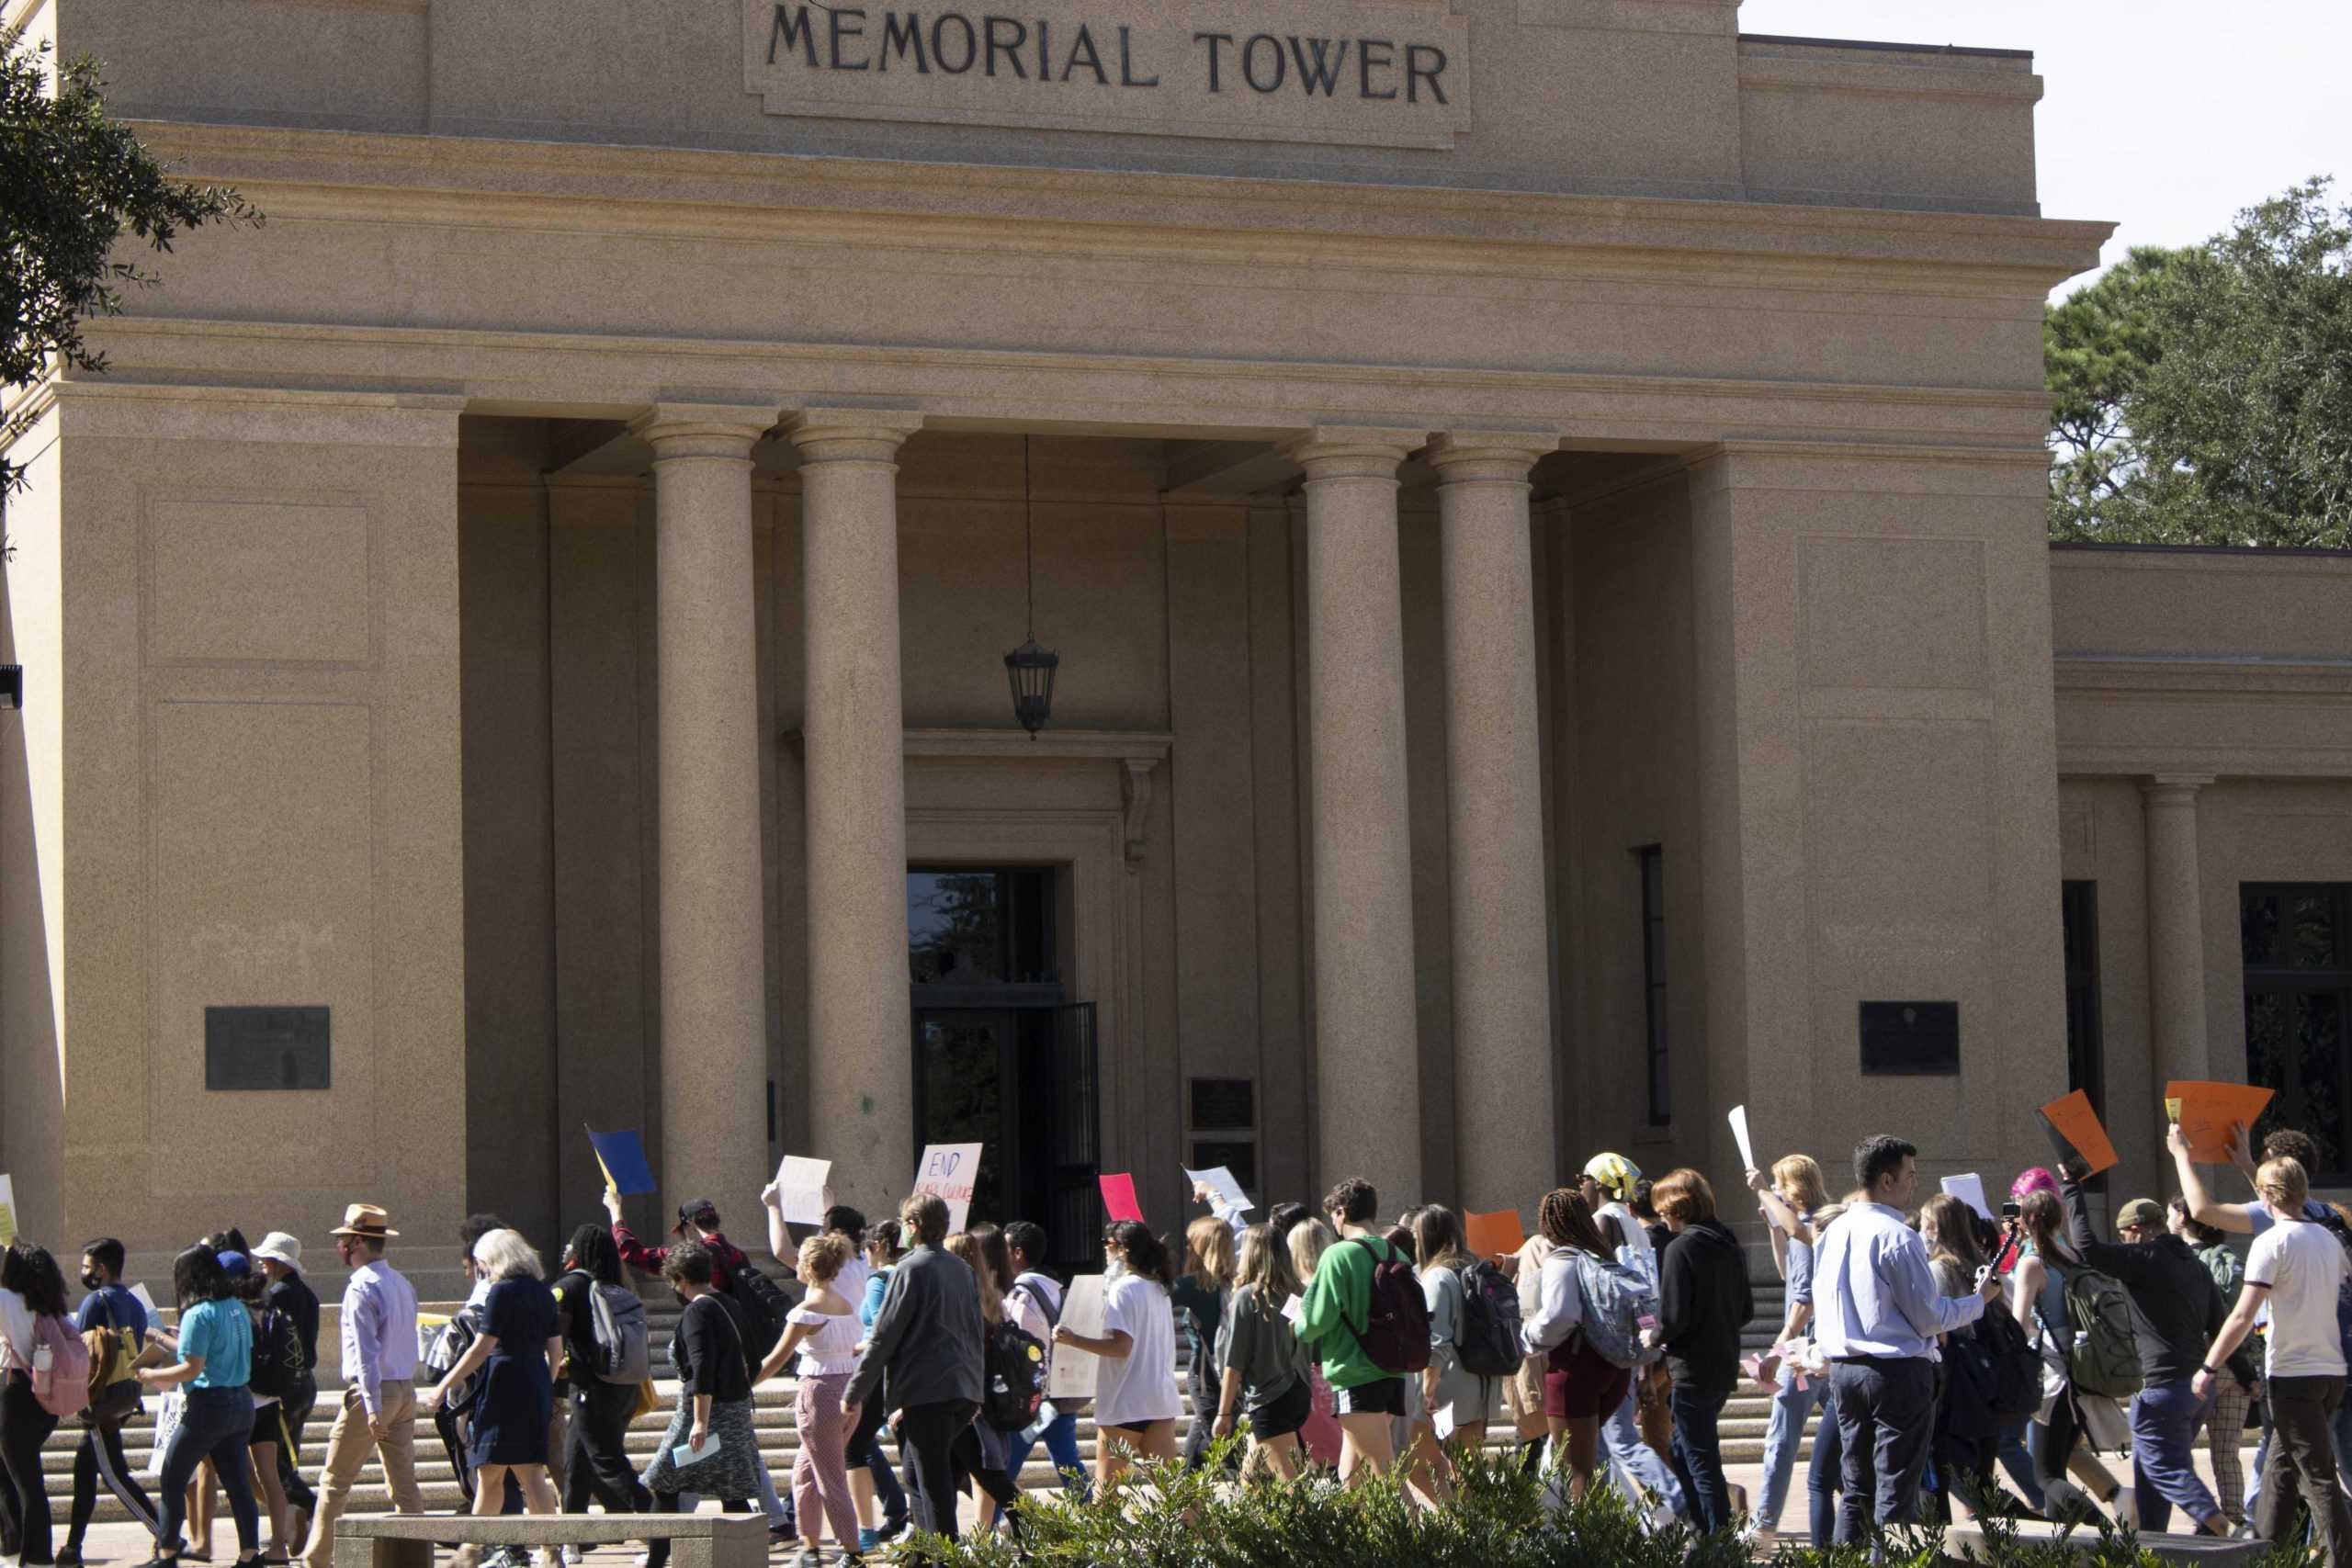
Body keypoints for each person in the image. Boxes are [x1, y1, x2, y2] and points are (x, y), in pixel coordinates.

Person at [1814, 1134, 1999, 1543]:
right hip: (1895, 1373)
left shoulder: (1832, 1232)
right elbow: (1929, 1316)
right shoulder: (1897, 1236)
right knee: (1894, 1492)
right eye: (1910, 1175)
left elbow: (1822, 1301)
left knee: (1856, 1488)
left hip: (1844, 1370)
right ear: (1886, 1179)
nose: (1914, 1183)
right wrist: (1978, 1300)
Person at [2193, 1147, 2352, 1559]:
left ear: (2265, 1196)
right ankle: (2266, 1554)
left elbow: (2243, 1314)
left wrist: (2209, 1365)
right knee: (2279, 1471)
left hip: (2293, 1375)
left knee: (2318, 1479)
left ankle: (2342, 1558)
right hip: (2331, 1373)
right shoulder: (2332, 1242)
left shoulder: (2271, 1243)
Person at [2055, 1164, 2229, 1536]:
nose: (2122, 1242)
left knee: (2164, 1466)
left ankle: (2216, 1523)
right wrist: (2244, 1374)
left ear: (2136, 1231)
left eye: (2123, 1235)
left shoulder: (2146, 1258)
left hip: (2162, 1391)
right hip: (2198, 1391)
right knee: (2151, 1474)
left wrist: (2072, 1187)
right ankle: (2151, 1546)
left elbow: (2087, 1247)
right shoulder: (2196, 1266)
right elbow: (2221, 1323)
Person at [843, 1194, 984, 1547]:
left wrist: (854, 1392)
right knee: (915, 1474)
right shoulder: (961, 1269)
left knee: (933, 1486)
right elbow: (975, 1331)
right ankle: (923, 1553)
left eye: (905, 1223)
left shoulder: (910, 1268)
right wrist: (976, 1388)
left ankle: (943, 1557)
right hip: (959, 1390)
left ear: (913, 1226)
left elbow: (883, 1336)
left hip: (928, 1392)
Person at [420, 1229, 563, 1568]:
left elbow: (482, 1348)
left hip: (503, 1386)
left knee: (489, 1472)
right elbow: (556, 1351)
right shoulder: (543, 1293)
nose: (481, 1269)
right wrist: (544, 1385)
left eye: (482, 1263)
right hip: (535, 1385)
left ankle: (471, 1551)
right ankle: (550, 1553)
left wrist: (443, 1387)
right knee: (532, 1474)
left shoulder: (501, 1292)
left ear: (493, 1260)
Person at [300, 1204, 424, 1568]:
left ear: (355, 1242)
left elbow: (367, 1354)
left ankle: (317, 1559)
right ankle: (416, 1559)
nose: (338, 1247)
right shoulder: (401, 1283)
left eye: (342, 1240)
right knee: (404, 1483)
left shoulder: (361, 1287)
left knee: (335, 1480)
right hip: (403, 1388)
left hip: (375, 1391)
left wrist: (370, 1406)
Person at [2008, 1188, 2132, 1524]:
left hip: (2054, 1377)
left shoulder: (2032, 1264)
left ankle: (2106, 1532)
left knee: (2045, 1477)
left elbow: (2019, 1327)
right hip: (2080, 1373)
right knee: (2057, 1467)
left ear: (2025, 1221)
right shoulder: (2073, 1255)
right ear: (2059, 1218)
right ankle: (2060, 1543)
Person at [135, 1246, 262, 1568]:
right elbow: (213, 1354)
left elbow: (191, 1369)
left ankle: (166, 1554)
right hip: (241, 1403)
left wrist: (150, 1374)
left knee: (172, 1477)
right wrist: (170, 1341)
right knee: (237, 1483)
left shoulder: (197, 1313)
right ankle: (250, 1554)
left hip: (208, 1406)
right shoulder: (237, 1308)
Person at [1577, 1153, 1684, 1523]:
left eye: (1584, 1178)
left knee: (1620, 1440)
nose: (1581, 1186)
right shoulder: (1635, 1225)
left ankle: (1680, 1501)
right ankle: (1617, 1523)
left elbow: (1596, 1286)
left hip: (1606, 1345)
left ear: (1600, 1183)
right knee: (1603, 1444)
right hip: (1630, 1343)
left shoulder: (1601, 1221)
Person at [639, 1244, 762, 1568]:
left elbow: (700, 1368)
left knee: (663, 1485)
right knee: (732, 1492)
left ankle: (655, 1562)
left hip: (704, 1414)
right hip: (735, 1413)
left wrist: (700, 1422)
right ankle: (747, 1560)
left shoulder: (697, 1311)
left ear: (680, 1278)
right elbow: (755, 1358)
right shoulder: (730, 1303)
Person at [1645, 1168, 1751, 1535]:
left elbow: (1673, 1317)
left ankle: (1717, 1539)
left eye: (1663, 1208)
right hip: (1722, 1366)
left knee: (1701, 1458)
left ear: (1678, 1207)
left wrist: (1651, 1337)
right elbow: (1747, 1310)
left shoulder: (1681, 1248)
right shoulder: (1729, 1243)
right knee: (1681, 1451)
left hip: (1691, 1369)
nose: (1661, 1216)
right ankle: (1701, 1527)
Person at [755, 1234, 863, 1568]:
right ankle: (810, 1549)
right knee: (804, 1475)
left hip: (820, 1395)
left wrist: (742, 1386)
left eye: (800, 1260)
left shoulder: (806, 1311)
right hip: (847, 1393)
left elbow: (774, 1359)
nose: (795, 1265)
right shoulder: (844, 1304)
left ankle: (853, 1553)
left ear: (811, 1267)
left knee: (829, 1479)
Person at [1295, 1179, 1410, 1485]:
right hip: (1394, 1373)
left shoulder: (1338, 1255)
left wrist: (1299, 1325)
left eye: (1332, 1215)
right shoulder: (1397, 1255)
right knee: (1352, 1474)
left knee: (1385, 1478)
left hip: (1355, 1374)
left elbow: (1316, 1322)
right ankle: (1347, 1532)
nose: (1332, 1222)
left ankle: (1420, 1532)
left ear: (1342, 1212)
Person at [1052, 1221, 1181, 1490]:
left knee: (1106, 1496)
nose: (1106, 1251)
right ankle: (1199, 1533)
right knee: (1176, 1493)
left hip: (1125, 1402)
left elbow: (1121, 1348)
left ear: (1122, 1249)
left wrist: (1073, 1339)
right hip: (1158, 1399)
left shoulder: (1123, 1289)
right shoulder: (1159, 1288)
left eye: (1108, 1244)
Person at [1520, 1190, 1628, 1502]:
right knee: (1587, 1462)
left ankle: (1587, 1545)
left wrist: (1527, 1337)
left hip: (1574, 1371)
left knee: (1579, 1471)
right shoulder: (1602, 1256)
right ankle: (1593, 1534)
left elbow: (1559, 1316)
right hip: (1612, 1368)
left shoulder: (1563, 1260)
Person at [60, 1237, 161, 1565]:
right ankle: (73, 1549)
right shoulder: (135, 1300)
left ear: (101, 1269)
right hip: (125, 1395)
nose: (83, 1272)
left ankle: (166, 1536)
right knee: (85, 1471)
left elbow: (78, 1349)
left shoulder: (94, 1301)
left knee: (114, 1475)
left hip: (101, 1401)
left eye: (87, 1266)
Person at [1746, 1156, 1826, 1547]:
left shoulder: (1810, 1229)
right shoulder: (1802, 1231)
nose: (1774, 1192)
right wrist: (1774, 1229)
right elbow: (1787, 1276)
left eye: (1778, 1185)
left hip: (1802, 1350)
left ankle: (1763, 1526)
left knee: (1780, 1439)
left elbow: (1803, 1300)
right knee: (1845, 1434)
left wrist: (1778, 1349)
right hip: (1817, 1349)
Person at [550, 1224, 650, 1525]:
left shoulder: (568, 1288)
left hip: (590, 1390)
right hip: (624, 1388)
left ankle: (658, 1518)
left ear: (580, 1253)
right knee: (577, 1462)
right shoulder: (621, 1289)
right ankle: (575, 1538)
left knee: (606, 1463)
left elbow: (555, 1341)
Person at [2172, 1196, 2256, 1529]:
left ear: (2181, 1218)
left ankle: (2205, 1515)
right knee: (2227, 1453)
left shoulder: (2182, 1262)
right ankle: (2233, 1517)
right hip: (2237, 1367)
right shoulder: (2232, 1259)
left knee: (2176, 1451)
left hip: (2201, 1367)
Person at [1917, 1194, 2002, 1524]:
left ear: (1936, 1227)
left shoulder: (1940, 1268)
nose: (1922, 1231)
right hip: (1982, 1376)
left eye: (1925, 1224)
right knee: (1979, 1474)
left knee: (1944, 1469)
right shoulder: (1977, 1263)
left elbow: (1939, 1326)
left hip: (1954, 1379)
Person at [1212, 1224, 1313, 1480]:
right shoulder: (1298, 1293)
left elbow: (1234, 1360)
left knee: (1290, 1485)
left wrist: (1223, 1413)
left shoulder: (1248, 1297)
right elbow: (1300, 1339)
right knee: (1251, 1479)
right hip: (1298, 1389)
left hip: (1269, 1396)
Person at [939, 1234, 1024, 1530]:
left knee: (987, 1476)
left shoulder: (961, 1299)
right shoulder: (991, 1296)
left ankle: (1032, 1530)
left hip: (966, 1400)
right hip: (983, 1396)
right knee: (958, 1476)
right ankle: (933, 1545)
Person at [1001, 1222, 1085, 1505]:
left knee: (1004, 1468)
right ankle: (1097, 1522)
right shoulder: (1056, 1288)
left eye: (1005, 1248)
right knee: (1068, 1464)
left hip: (1032, 1400)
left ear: (1018, 1253)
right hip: (1058, 1395)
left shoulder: (1022, 1295)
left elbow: (1018, 1349)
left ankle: (988, 1533)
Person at [1413, 1205, 1505, 1463]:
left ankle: (1453, 1505)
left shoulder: (1437, 1278)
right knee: (1469, 1467)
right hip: (1484, 1383)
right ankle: (1473, 1505)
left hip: (1448, 1391)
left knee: (1445, 1463)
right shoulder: (1476, 1268)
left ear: (1426, 1238)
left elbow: (1437, 1340)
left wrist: (1427, 1391)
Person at [842, 1221, 910, 1552]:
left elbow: (882, 1331)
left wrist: (856, 1347)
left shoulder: (879, 1279)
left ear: (879, 1246)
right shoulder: (911, 1273)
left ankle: (866, 1532)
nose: (865, 1256)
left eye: (867, 1249)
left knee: (854, 1445)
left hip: (883, 1375)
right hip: (912, 1373)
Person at [250, 1233, 319, 1556]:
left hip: (285, 1387)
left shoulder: (277, 1295)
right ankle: (293, 1520)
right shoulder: (308, 1294)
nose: (262, 1265)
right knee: (288, 1457)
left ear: (277, 1262)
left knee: (275, 1463)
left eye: (266, 1260)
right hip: (305, 1383)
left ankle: (308, 1508)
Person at [1172, 1218, 1234, 1472]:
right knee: (1197, 1447)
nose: (1186, 1248)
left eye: (1190, 1243)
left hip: (1206, 1373)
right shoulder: (1236, 1283)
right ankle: (1184, 1502)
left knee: (1224, 1448)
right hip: (1233, 1371)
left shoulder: (1194, 1284)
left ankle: (1255, 1503)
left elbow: (1155, 1293)